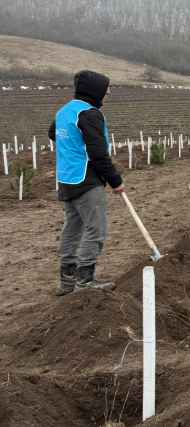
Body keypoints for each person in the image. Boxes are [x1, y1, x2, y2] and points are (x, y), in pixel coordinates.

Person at [49, 70, 124, 295]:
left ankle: (67, 280)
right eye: (106, 91)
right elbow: (99, 154)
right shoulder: (90, 114)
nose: (108, 95)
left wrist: (72, 146)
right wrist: (115, 180)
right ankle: (85, 281)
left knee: (72, 227)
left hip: (66, 179)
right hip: (86, 180)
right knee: (96, 230)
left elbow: (53, 133)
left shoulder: (65, 110)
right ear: (95, 91)